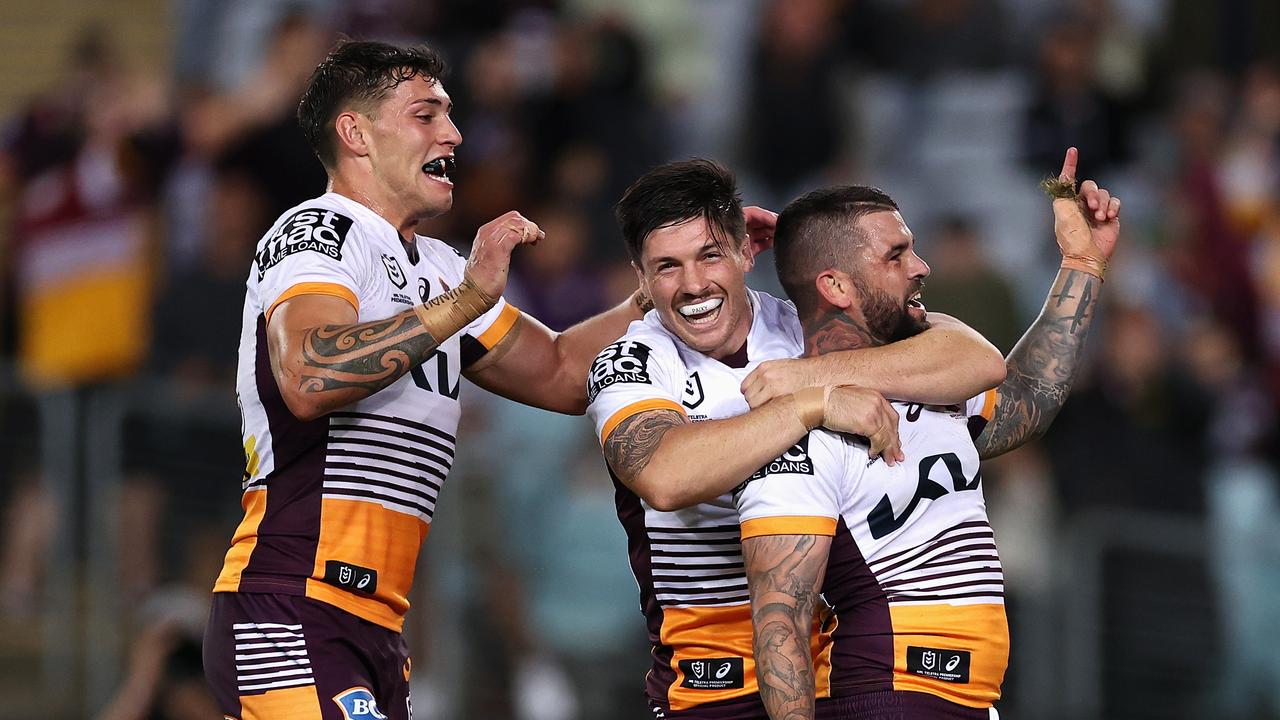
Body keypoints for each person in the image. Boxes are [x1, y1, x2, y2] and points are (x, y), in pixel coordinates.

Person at [202, 40, 659, 719]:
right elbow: (310, 372)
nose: (453, 133)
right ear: (355, 133)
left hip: (376, 628)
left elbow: (564, 372)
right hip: (292, 605)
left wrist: (668, 286)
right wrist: (462, 305)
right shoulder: (319, 231)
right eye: (425, 115)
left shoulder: (441, 269)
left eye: (448, 114)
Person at [584, 158, 1008, 719]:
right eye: (666, 267)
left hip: (830, 680)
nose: (693, 285)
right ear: (640, 279)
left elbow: (975, 363)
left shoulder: (806, 329)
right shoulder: (632, 361)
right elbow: (665, 475)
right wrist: (812, 403)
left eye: (710, 255)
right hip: (709, 688)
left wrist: (1080, 265)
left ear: (745, 253)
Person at [736, 148, 1118, 719]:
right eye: (897, 255)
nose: (922, 267)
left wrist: (1081, 265)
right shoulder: (799, 429)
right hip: (884, 695)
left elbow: (1029, 397)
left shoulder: (931, 376)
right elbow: (780, 621)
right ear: (836, 286)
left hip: (963, 700)